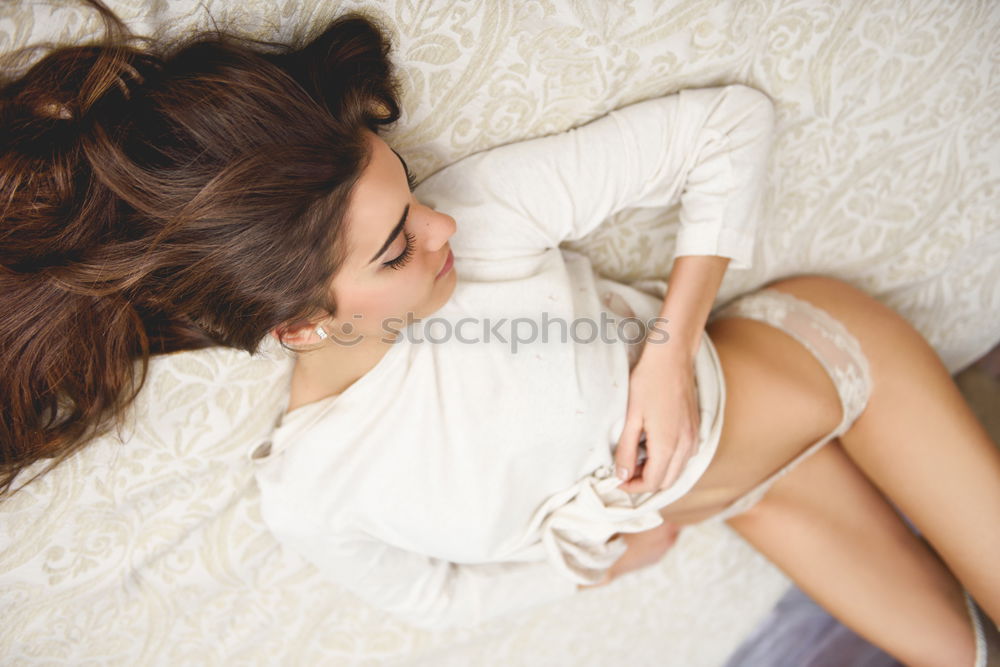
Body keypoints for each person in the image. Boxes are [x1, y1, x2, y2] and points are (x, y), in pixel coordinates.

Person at [2, 2, 998, 663]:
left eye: (403, 191)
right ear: (304, 323)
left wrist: (666, 349)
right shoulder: (312, 495)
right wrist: (587, 564)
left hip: (823, 362)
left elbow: (727, 126)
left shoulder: (478, 216)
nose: (439, 230)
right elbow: (434, 601)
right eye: (396, 248)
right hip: (747, 492)